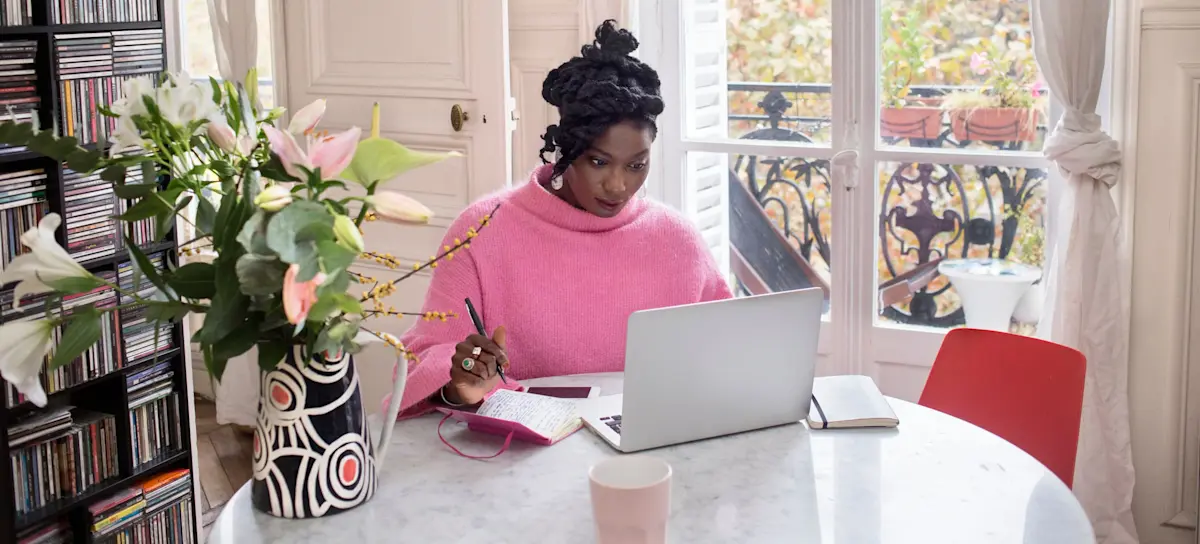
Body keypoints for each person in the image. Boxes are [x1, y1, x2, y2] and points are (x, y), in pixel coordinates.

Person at [387, 20, 733, 418]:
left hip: (652, 446)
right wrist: (458, 384)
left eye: (637, 165)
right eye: (599, 162)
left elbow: (727, 350)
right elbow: (426, 360)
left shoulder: (677, 239)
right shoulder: (482, 230)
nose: (619, 185)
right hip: (517, 457)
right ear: (565, 150)